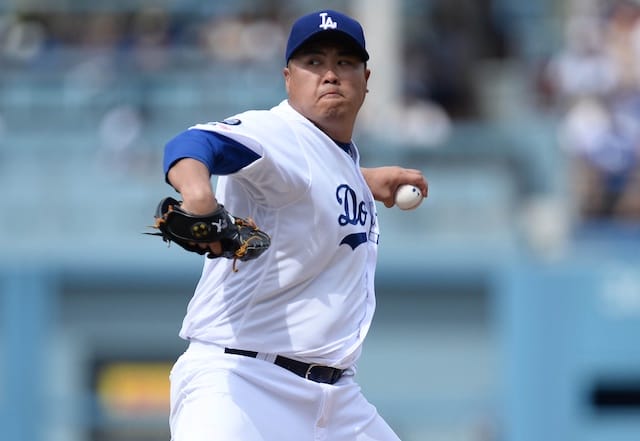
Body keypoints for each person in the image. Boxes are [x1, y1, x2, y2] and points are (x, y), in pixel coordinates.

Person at [162, 9, 428, 441]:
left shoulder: (333, 157)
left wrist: (363, 180)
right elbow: (193, 144)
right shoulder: (278, 131)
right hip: (241, 383)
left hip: (336, 401)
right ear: (288, 78)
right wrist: (197, 194)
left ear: (366, 78)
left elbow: (306, 182)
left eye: (344, 62)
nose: (330, 74)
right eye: (314, 62)